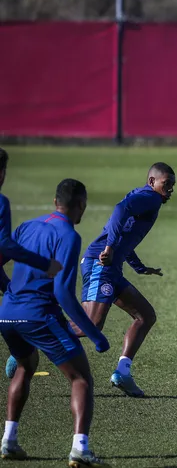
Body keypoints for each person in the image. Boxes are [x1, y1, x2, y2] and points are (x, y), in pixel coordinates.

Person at [0, 179, 111, 467]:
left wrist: (11, 291)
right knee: (81, 378)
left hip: (7, 315)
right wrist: (94, 334)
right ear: (80, 206)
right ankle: (79, 448)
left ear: (54, 202)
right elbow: (63, 292)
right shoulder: (69, 236)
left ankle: (9, 441)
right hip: (39, 315)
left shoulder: (26, 226)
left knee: (25, 366)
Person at [74, 162, 175, 397]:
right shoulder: (150, 198)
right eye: (167, 184)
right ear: (152, 182)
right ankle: (29, 342)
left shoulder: (146, 197)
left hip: (112, 268)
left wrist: (140, 267)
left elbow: (125, 233)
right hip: (101, 264)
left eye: (173, 186)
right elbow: (120, 210)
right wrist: (108, 248)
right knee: (91, 325)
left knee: (145, 316)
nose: (170, 190)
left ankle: (123, 372)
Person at [1, 147, 64, 378]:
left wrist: (8, 288)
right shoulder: (1, 202)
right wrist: (43, 263)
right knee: (80, 377)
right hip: (32, 309)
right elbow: (5, 246)